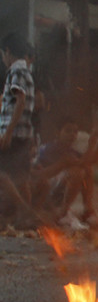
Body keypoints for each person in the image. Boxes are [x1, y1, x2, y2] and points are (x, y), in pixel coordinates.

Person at [31, 116, 98, 229]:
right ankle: (63, 213)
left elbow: (91, 161)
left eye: (75, 132)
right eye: (68, 131)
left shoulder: (70, 151)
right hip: (46, 192)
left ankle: (88, 210)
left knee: (87, 169)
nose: (72, 135)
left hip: (57, 190)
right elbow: (81, 162)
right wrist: (92, 143)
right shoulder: (50, 148)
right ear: (57, 132)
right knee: (77, 172)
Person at [0, 32, 38, 225]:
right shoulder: (27, 72)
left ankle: (24, 210)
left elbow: (20, 101)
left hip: (13, 134)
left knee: (3, 175)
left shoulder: (16, 71)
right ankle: (25, 219)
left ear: (8, 51)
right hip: (23, 134)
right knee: (21, 178)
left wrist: (7, 132)